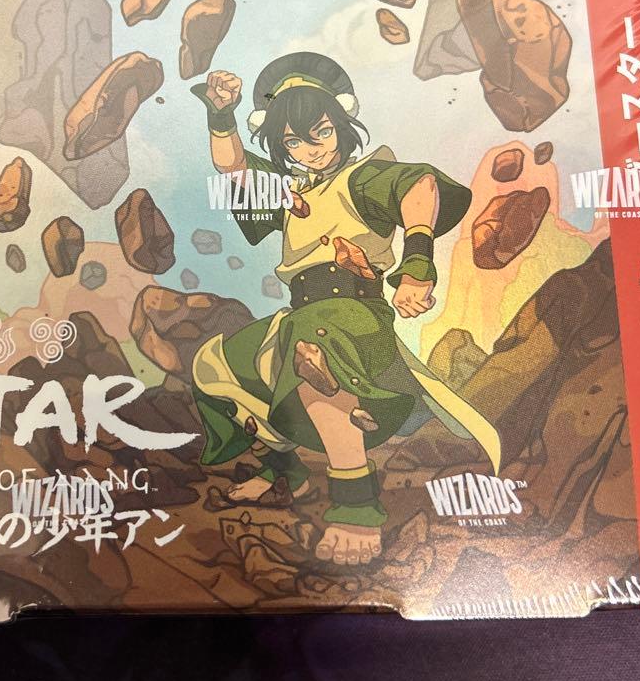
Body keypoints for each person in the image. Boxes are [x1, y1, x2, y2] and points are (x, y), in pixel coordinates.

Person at [189, 52, 500, 567]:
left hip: (353, 314)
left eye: (321, 133)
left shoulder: (361, 178)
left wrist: (417, 264)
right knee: (217, 367)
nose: (310, 150)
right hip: (300, 311)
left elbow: (419, 186)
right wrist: (221, 113)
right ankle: (284, 473)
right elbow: (233, 167)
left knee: (314, 354)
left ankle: (357, 508)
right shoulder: (290, 191)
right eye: (294, 142)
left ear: (341, 124)